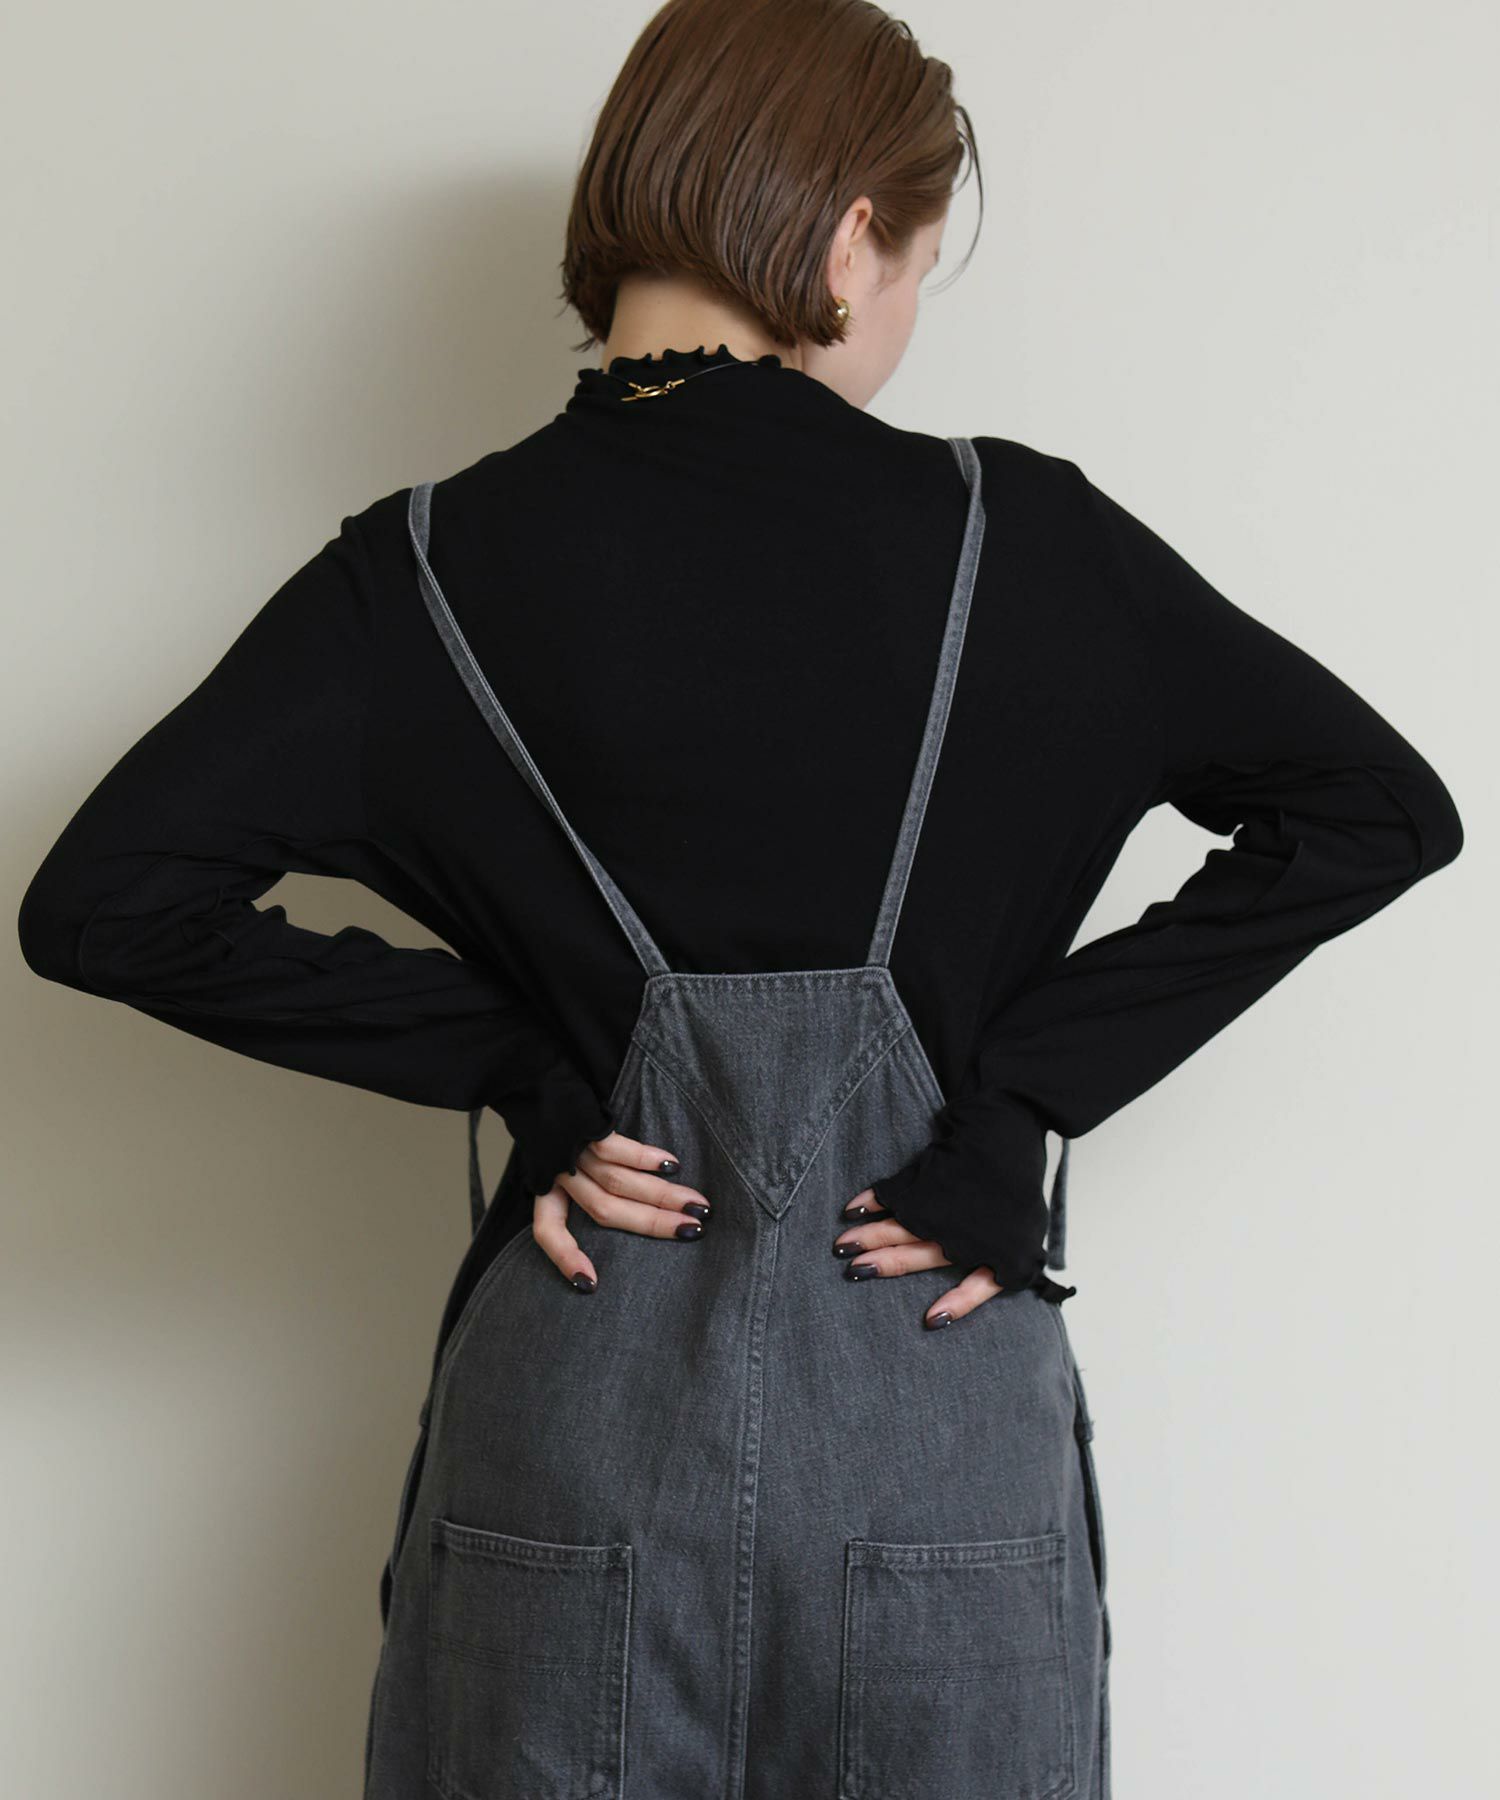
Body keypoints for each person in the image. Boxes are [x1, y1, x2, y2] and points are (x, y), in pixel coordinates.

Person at [15, 1, 1464, 1795]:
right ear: (851, 240)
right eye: (919, 268)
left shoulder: (421, 574)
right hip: (934, 1419)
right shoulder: (1025, 542)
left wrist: (523, 1063)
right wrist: (1021, 1099)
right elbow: (1377, 807)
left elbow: (105, 903)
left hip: (577, 1429)